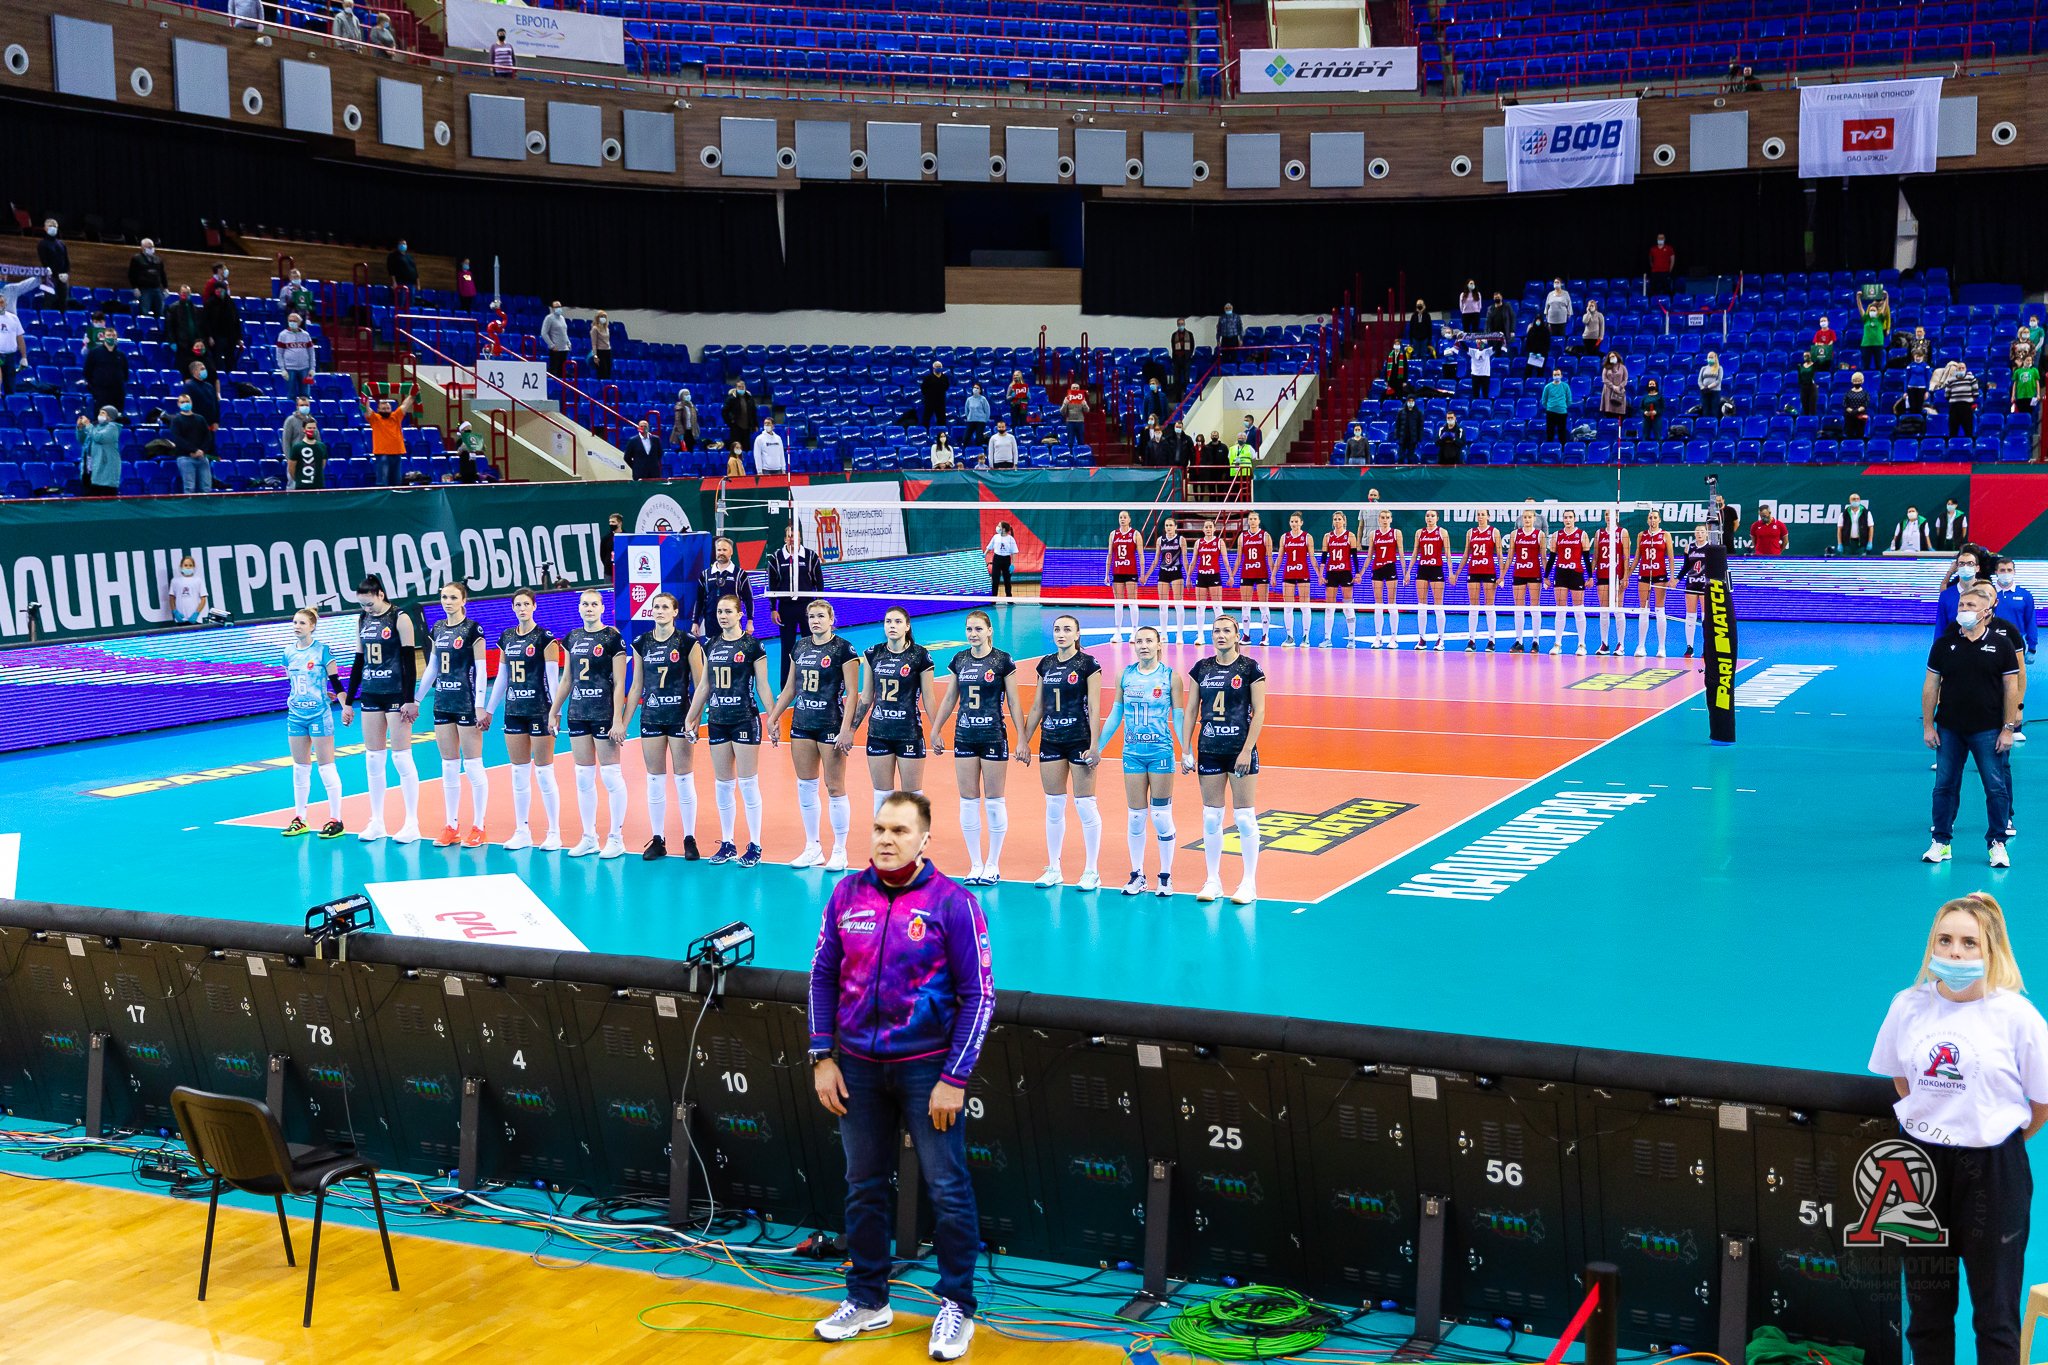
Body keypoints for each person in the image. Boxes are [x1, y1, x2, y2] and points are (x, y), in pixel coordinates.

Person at [806, 790, 990, 1364]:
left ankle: (957, 1305)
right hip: (857, 1069)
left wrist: (954, 1077)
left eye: (900, 831)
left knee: (947, 1188)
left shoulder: (954, 904)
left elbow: (979, 995)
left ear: (925, 839)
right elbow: (822, 976)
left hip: (927, 1071)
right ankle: (867, 1299)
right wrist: (822, 1055)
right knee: (863, 1184)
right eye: (880, 828)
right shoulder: (846, 894)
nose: (886, 840)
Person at [1868, 893, 2046, 1365]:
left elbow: (2041, 1103)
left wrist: (1991, 1136)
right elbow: (1901, 1079)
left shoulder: (2017, 1017)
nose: (1955, 952)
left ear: (1991, 950)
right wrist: (1938, 1123)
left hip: (1993, 1172)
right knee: (1926, 1314)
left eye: (1970, 943)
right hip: (1919, 1169)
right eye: (1945, 940)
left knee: (1995, 1317)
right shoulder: (1907, 1006)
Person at [1923, 582, 2020, 866]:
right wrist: (1928, 725)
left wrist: (2008, 728)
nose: (1964, 610)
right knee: (1944, 786)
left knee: (1995, 787)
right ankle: (1941, 842)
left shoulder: (2002, 645)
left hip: (1988, 730)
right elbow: (1931, 686)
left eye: (1971, 606)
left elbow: (2011, 689)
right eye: (1962, 605)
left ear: (1986, 611)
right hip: (1949, 728)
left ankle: (1997, 843)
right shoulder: (1944, 645)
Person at [930, 611, 1026, 887]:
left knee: (994, 801)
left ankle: (993, 864)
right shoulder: (959, 660)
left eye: (978, 629)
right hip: (965, 736)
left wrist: (1022, 738)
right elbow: (950, 697)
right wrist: (936, 729)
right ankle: (975, 864)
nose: (973, 634)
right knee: (968, 801)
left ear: (989, 631)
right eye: (969, 629)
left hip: (993, 736)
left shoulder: (1003, 660)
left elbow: (1014, 702)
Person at [767, 600, 860, 870]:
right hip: (802, 724)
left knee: (834, 787)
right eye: (811, 616)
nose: (815, 620)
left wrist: (847, 729)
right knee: (806, 785)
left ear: (832, 619)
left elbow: (853, 693)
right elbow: (790, 689)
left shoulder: (844, 649)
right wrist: (773, 717)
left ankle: (840, 850)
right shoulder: (800, 647)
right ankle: (812, 847)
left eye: (821, 616)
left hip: (830, 724)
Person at [685, 594, 776, 868]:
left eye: (728, 611)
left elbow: (763, 685)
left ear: (739, 614)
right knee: (723, 785)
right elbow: (704, 686)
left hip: (744, 719)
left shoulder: (752, 646)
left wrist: (773, 718)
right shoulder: (711, 644)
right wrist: (691, 717)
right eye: (719, 612)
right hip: (718, 719)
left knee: (748, 784)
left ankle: (755, 845)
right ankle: (727, 842)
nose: (723, 616)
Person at [1184, 614, 1265, 905]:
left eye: (1226, 631)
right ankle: (1213, 880)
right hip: (1209, 748)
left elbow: (1260, 711)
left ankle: (1249, 883)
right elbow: (1191, 710)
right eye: (1216, 631)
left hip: (1239, 750)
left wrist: (1246, 750)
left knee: (1244, 817)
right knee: (1211, 816)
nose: (1220, 635)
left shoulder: (1250, 668)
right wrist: (1185, 748)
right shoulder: (1201, 668)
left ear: (1237, 635)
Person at [1098, 626, 1184, 896]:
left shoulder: (1170, 677)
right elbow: (1116, 714)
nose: (1143, 645)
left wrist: (1187, 750)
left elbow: (1179, 716)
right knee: (1136, 817)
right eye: (1139, 641)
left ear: (1159, 645)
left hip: (1160, 753)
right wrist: (1097, 747)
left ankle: (1166, 876)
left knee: (1160, 816)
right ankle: (1137, 875)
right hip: (1132, 754)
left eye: (1149, 641)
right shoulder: (1125, 675)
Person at [1020, 614, 1103, 890]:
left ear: (1077, 634)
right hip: (1051, 740)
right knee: (1054, 806)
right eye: (1057, 629)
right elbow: (1037, 706)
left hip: (1079, 739)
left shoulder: (1088, 664)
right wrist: (1023, 741)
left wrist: (1095, 744)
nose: (1061, 634)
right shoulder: (1046, 664)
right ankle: (1054, 868)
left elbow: (1095, 706)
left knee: (1085, 804)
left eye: (1067, 629)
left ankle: (1092, 871)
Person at [548, 588, 630, 859]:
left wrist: (617, 718)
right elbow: (566, 680)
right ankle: (589, 837)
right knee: (583, 776)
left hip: (603, 713)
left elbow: (620, 682)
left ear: (602, 608)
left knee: (610, 775)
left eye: (594, 604)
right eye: (585, 604)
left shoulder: (612, 638)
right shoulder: (572, 638)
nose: (589, 608)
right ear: (579, 607)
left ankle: (616, 838)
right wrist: (554, 710)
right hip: (578, 712)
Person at [341, 574, 423, 843]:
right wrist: (348, 702)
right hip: (371, 693)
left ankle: (412, 823)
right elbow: (358, 661)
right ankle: (376, 822)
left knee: (401, 757)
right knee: (373, 759)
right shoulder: (362, 619)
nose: (366, 608)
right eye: (361, 605)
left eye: (369, 603)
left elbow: (409, 661)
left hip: (396, 693)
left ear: (380, 594)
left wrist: (410, 699)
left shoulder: (400, 617)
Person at [623, 591, 702, 863]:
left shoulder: (688, 641)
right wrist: (623, 722)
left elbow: (700, 684)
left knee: (684, 778)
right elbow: (636, 686)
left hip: (680, 716)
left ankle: (689, 838)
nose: (659, 611)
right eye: (656, 607)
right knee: (655, 779)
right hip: (652, 716)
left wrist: (695, 718)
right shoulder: (641, 643)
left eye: (665, 607)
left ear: (675, 612)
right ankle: (658, 839)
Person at [416, 582, 491, 848]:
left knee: (472, 765)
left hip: (466, 703)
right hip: (443, 703)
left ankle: (479, 826)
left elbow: (481, 669)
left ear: (463, 600)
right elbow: (432, 667)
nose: (448, 601)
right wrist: (416, 699)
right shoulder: (437, 628)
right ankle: (451, 826)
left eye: (453, 597)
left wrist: (480, 705)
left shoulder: (472, 629)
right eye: (444, 597)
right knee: (448, 765)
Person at [490, 587, 564, 851]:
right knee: (519, 773)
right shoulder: (507, 637)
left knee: (544, 772)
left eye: (526, 604)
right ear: (513, 608)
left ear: (534, 606)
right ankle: (522, 831)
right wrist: (489, 709)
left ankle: (554, 832)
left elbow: (554, 679)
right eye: (517, 605)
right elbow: (502, 677)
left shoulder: (545, 638)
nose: (522, 608)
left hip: (540, 710)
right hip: (514, 711)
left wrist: (555, 712)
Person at [859, 607, 938, 816]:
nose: (892, 626)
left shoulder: (920, 655)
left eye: (897, 622)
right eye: (888, 621)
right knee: (882, 796)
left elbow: (929, 697)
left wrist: (936, 730)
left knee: (912, 796)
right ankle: (883, 836)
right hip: (878, 733)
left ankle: (915, 837)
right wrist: (849, 730)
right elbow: (866, 697)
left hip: (909, 733)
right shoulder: (872, 654)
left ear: (907, 626)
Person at [279, 607, 347, 840]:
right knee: (300, 767)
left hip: (319, 715)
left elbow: (336, 682)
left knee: (326, 767)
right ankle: (300, 818)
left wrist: (345, 705)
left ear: (312, 626)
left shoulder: (322, 651)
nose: (297, 626)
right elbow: (294, 681)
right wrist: (314, 691)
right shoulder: (288, 652)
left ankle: (336, 819)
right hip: (296, 715)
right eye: (295, 622)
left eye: (302, 623)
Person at [767, 522, 825, 684]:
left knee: (812, 644)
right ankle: (786, 686)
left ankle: (814, 681)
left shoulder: (811, 556)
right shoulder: (775, 558)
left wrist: (819, 605)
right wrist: (773, 609)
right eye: (789, 536)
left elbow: (819, 583)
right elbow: (772, 586)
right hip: (785, 608)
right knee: (787, 647)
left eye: (795, 536)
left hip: (807, 607)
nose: (792, 539)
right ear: (785, 539)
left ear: (800, 538)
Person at [1548, 508, 1590, 655]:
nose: (1568, 520)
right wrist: (1546, 576)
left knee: (1579, 610)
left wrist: (1590, 576)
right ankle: (1557, 644)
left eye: (1570, 517)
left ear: (1575, 519)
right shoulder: (1557, 535)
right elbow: (1552, 558)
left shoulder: (1582, 534)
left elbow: (1586, 558)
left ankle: (1582, 644)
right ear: (1563, 519)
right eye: (1565, 517)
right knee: (1560, 610)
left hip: (1576, 574)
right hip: (1561, 574)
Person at [1589, 509, 1631, 654]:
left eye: (1611, 514)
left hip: (1617, 575)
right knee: (1604, 610)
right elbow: (1595, 556)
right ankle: (1604, 644)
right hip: (1602, 574)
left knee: (1618, 610)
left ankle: (1621, 644)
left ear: (1617, 516)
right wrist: (1590, 575)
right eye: (1606, 514)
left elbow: (1626, 557)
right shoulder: (1599, 533)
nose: (1608, 517)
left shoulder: (1622, 532)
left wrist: (1625, 576)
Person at [1631, 509, 1673, 656]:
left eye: (1655, 517)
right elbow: (1637, 557)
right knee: (1643, 610)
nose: (1653, 520)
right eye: (1650, 518)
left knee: (1660, 610)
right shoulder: (1641, 535)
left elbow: (1671, 557)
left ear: (1659, 520)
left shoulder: (1665, 535)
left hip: (1660, 575)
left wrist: (1672, 577)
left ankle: (1661, 647)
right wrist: (1627, 575)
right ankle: (1641, 646)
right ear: (1647, 520)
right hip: (1644, 574)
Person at [1505, 507, 1546, 653]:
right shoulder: (1515, 534)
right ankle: (1519, 641)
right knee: (1519, 608)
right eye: (1525, 517)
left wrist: (1547, 576)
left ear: (1534, 519)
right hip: (1519, 573)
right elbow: (1510, 556)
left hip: (1534, 573)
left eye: (1529, 517)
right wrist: (1502, 574)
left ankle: (1535, 641)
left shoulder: (1540, 534)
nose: (1527, 519)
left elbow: (1543, 557)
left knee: (1535, 607)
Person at [694, 536, 752, 638]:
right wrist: (695, 622)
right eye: (719, 550)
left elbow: (748, 599)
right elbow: (699, 600)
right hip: (711, 624)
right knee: (711, 647)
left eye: (724, 550)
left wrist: (750, 621)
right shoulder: (705, 574)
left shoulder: (740, 574)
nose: (721, 553)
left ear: (731, 552)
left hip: (733, 624)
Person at [1363, 508, 1403, 649]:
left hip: (1391, 568)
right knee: (1378, 605)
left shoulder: (1396, 533)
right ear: (1379, 519)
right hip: (1377, 570)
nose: (1385, 520)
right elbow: (1369, 556)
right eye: (1382, 517)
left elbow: (1401, 554)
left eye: (1387, 517)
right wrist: (1361, 573)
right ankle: (1378, 637)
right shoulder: (1373, 534)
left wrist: (1406, 572)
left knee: (1392, 604)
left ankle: (1393, 638)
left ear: (1391, 519)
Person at [360, 386, 415, 486]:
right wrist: (365, 392)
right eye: (383, 409)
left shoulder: (396, 416)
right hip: (382, 454)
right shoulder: (375, 418)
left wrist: (413, 393)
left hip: (397, 453)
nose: (386, 410)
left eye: (387, 408)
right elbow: (366, 407)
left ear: (391, 409)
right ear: (378, 409)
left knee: (396, 481)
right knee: (382, 481)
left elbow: (406, 404)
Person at [1104, 508, 1144, 643]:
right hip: (1117, 572)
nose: (1122, 519)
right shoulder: (1113, 534)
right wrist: (1106, 573)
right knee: (1118, 603)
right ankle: (1118, 632)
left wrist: (1142, 573)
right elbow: (1110, 554)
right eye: (1120, 517)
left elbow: (1141, 555)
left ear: (1129, 519)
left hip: (1131, 572)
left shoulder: (1135, 534)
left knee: (1132, 601)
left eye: (1125, 517)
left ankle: (1134, 631)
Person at [1235, 510, 1273, 646]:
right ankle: (1246, 635)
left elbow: (1269, 557)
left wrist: (1273, 574)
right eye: (1250, 519)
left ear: (1259, 521)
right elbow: (1239, 557)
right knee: (1245, 605)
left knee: (1263, 605)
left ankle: (1265, 636)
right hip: (1246, 573)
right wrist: (1232, 574)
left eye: (1255, 519)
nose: (1252, 521)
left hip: (1261, 573)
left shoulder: (1265, 536)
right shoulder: (1243, 536)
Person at [1319, 511, 1357, 647]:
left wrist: (1357, 573)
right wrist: (1321, 575)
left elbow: (1354, 557)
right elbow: (1324, 557)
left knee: (1348, 606)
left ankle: (1352, 639)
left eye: (1339, 519)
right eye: (1335, 519)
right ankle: (1327, 638)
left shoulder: (1350, 536)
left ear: (1344, 521)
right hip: (1332, 573)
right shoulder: (1327, 536)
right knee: (1329, 607)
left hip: (1346, 572)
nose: (1337, 521)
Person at [1189, 517, 1228, 643]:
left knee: (1217, 606)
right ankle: (1200, 635)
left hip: (1214, 575)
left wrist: (1231, 575)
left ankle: (1222, 635)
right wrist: (1189, 576)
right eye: (1206, 527)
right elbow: (1193, 561)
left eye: (1210, 527)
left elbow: (1225, 560)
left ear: (1214, 529)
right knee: (1200, 607)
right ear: (1203, 529)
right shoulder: (1198, 543)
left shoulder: (1219, 542)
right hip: (1201, 576)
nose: (1208, 529)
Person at [1675, 523, 1710, 659]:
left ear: (1706, 533)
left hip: (1705, 584)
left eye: (1702, 531)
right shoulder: (1690, 547)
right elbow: (1686, 566)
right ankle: (1689, 647)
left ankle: (1707, 647)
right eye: (1697, 531)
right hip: (1691, 584)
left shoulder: (1710, 548)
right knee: (1690, 616)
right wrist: (1677, 579)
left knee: (1706, 617)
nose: (1699, 534)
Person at [1155, 515, 1189, 644]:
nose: (1168, 527)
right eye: (1166, 525)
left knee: (1178, 603)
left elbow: (1185, 559)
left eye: (1170, 525)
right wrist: (1146, 575)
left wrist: (1188, 576)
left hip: (1176, 572)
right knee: (1163, 605)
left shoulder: (1181, 540)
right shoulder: (1160, 540)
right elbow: (1156, 559)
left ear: (1175, 527)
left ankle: (1179, 634)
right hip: (1163, 572)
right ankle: (1163, 634)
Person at [74, 408, 123, 497]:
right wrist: (80, 428)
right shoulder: (95, 427)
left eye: (103, 413)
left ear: (110, 416)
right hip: (90, 470)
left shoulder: (113, 428)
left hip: (104, 473)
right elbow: (83, 440)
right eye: (100, 413)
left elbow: (99, 437)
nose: (100, 415)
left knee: (104, 502)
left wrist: (88, 424)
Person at [81, 329, 128, 417]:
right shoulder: (95, 353)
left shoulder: (121, 355)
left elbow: (125, 375)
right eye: (109, 335)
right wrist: (95, 390)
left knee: (116, 419)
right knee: (101, 419)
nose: (111, 338)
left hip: (118, 394)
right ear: (104, 337)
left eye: (113, 336)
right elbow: (87, 372)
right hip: (101, 393)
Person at [274, 310, 317, 401]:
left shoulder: (305, 335)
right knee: (291, 394)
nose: (292, 322)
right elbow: (279, 353)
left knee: (305, 394)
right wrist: (283, 369)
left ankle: (304, 410)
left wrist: (312, 368)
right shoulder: (283, 335)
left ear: (299, 322)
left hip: (304, 368)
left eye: (294, 321)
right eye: (290, 321)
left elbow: (311, 352)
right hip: (289, 369)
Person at [1937, 361, 1979, 438]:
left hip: (1966, 407)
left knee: (1968, 430)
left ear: (1966, 369)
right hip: (1954, 408)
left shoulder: (1971, 378)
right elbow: (1947, 395)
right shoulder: (1950, 380)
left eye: (1963, 368)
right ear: (1956, 370)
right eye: (1959, 368)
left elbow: (1976, 393)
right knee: (1953, 431)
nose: (1961, 369)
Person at [36, 218, 70, 313]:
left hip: (63, 277)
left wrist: (66, 273)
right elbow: (45, 262)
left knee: (63, 302)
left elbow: (66, 260)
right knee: (49, 300)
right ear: (45, 228)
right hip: (50, 277)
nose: (53, 228)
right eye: (50, 226)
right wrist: (56, 273)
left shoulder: (61, 244)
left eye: (55, 226)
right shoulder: (42, 244)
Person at [128, 239, 168, 317]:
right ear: (143, 247)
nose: (151, 248)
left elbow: (162, 274)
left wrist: (165, 287)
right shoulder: (136, 259)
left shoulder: (158, 259)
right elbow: (132, 274)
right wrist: (135, 287)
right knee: (145, 311)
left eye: (152, 247)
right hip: (144, 289)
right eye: (149, 247)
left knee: (160, 311)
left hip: (157, 288)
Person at [722, 377, 759, 454]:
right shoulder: (731, 398)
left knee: (746, 447)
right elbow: (724, 411)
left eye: (742, 387)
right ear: (736, 388)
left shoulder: (749, 398)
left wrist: (755, 424)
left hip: (747, 427)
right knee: (736, 448)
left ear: (745, 387)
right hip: (736, 427)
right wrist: (730, 422)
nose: (741, 389)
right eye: (739, 387)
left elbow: (753, 412)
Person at [167, 554, 207, 624]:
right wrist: (175, 612)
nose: (188, 567)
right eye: (185, 565)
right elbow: (171, 598)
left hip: (195, 619)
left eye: (190, 565)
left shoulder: (198, 580)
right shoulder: (175, 581)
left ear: (194, 567)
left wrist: (196, 613)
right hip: (181, 619)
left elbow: (203, 599)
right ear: (181, 566)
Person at [985, 521, 1018, 601]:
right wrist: (984, 554)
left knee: (1007, 580)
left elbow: (1014, 552)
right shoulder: (995, 537)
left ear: (1003, 529)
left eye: (999, 526)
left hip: (1006, 560)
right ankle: (993, 599)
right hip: (997, 559)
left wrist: (1012, 564)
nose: (997, 527)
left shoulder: (1010, 539)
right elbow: (989, 547)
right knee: (995, 579)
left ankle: (1009, 599)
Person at [541, 301, 570, 380]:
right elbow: (544, 333)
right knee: (554, 371)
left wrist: (568, 342)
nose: (558, 308)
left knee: (562, 372)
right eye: (556, 307)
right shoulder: (549, 318)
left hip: (564, 349)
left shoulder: (562, 318)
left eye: (559, 306)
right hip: (555, 349)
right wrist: (552, 345)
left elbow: (564, 332)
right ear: (553, 308)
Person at [1541, 368, 1571, 442]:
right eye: (1555, 375)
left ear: (1561, 376)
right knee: (1550, 433)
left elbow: (1569, 400)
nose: (1556, 376)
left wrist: (1562, 407)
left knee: (1562, 433)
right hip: (1550, 413)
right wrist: (1550, 407)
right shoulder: (1547, 387)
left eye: (1558, 374)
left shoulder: (1565, 386)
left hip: (1562, 413)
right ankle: (1549, 448)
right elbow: (1544, 401)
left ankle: (1562, 448)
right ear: (1552, 376)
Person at [1169, 317, 1196, 397]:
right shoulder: (1174, 335)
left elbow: (1192, 346)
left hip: (1186, 359)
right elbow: (1173, 347)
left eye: (1182, 324)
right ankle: (1177, 396)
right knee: (1177, 379)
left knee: (1186, 378)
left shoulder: (1190, 334)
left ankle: (1187, 395)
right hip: (1177, 359)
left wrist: (1189, 355)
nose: (1181, 325)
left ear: (1184, 324)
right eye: (1179, 324)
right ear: (1177, 325)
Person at [1393, 395, 1424, 464]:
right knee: (1400, 458)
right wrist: (1396, 436)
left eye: (1412, 401)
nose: (1411, 402)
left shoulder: (1418, 413)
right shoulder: (1401, 412)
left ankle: (1410, 471)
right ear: (1406, 402)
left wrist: (1419, 439)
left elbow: (1420, 427)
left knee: (1411, 458)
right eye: (1409, 401)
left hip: (1412, 440)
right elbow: (1397, 426)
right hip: (1402, 439)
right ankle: (1400, 470)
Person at [1860, 302, 1887, 379]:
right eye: (1871, 310)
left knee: (1879, 365)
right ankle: (1865, 381)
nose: (1872, 311)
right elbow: (1860, 308)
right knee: (1865, 366)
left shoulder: (1880, 319)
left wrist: (1886, 298)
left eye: (1874, 310)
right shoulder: (1866, 319)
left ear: (1877, 312)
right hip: (1866, 345)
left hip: (1878, 345)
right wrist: (1858, 299)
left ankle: (1879, 381)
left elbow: (1885, 308)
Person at [1060, 381, 1089, 446]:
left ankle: (1080, 452)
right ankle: (1070, 452)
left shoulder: (1082, 398)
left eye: (1077, 388)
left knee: (1081, 441)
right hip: (1070, 422)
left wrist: (1084, 404)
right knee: (1070, 441)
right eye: (1074, 388)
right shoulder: (1066, 398)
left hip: (1080, 422)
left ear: (1079, 389)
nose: (1075, 389)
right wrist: (1065, 404)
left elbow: (1087, 410)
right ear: (1071, 389)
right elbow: (1062, 412)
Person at [1697, 351, 1726, 418]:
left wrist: (1708, 387)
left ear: (1715, 358)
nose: (1710, 359)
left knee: (1714, 410)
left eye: (1711, 357)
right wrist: (1702, 387)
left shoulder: (1719, 368)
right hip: (1704, 392)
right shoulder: (1703, 368)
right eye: (1709, 357)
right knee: (1705, 410)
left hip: (1715, 392)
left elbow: (1718, 380)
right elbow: (1699, 380)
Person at [1843, 372, 1872, 438]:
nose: (1857, 382)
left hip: (1861, 417)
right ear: (1852, 381)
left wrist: (1857, 411)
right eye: (1855, 381)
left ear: (1862, 381)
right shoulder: (1848, 393)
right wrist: (1851, 411)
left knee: (1860, 434)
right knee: (1849, 434)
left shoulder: (1865, 393)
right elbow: (1845, 404)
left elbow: (1865, 404)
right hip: (1849, 417)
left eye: (1858, 381)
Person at [1600, 352, 1628, 417]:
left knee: (1619, 412)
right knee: (1609, 413)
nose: (1612, 358)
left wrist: (1619, 387)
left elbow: (1625, 379)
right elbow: (1604, 379)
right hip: (1608, 391)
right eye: (1610, 357)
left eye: (1613, 356)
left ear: (1617, 357)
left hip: (1619, 391)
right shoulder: (1606, 368)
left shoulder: (1623, 367)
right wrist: (1613, 386)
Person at [1798, 346, 1823, 417]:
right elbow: (1799, 378)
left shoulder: (1814, 365)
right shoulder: (1800, 366)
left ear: (1811, 356)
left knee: (1812, 408)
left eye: (1807, 356)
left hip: (1812, 387)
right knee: (1805, 408)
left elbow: (1820, 358)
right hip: (1803, 388)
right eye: (1804, 356)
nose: (1806, 357)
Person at [589, 310, 613, 380]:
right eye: (601, 316)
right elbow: (594, 344)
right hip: (600, 352)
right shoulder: (595, 329)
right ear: (597, 318)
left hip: (608, 351)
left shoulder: (607, 328)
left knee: (608, 372)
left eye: (604, 317)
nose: (603, 318)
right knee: (602, 372)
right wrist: (595, 356)